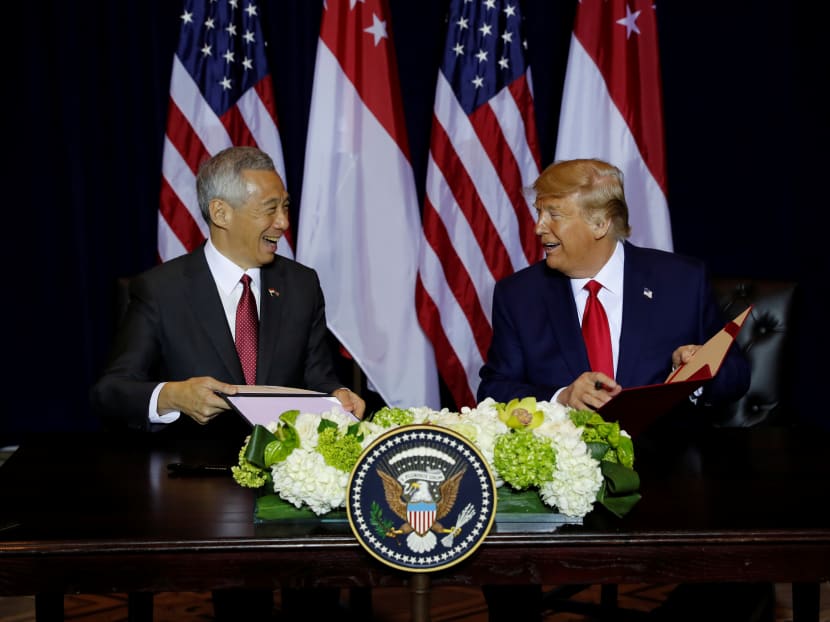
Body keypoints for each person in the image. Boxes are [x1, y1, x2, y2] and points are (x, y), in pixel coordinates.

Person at [90, 145, 365, 620]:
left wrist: (338, 396)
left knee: (319, 593)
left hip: (293, 477)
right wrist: (171, 395)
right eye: (270, 209)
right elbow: (110, 391)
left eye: (285, 207)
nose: (282, 223)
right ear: (221, 212)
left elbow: (320, 378)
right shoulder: (162, 289)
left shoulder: (301, 284)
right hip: (201, 481)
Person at [477, 158, 751, 621]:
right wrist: (562, 396)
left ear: (600, 222)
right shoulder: (518, 295)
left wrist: (697, 373)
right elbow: (496, 387)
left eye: (553, 213)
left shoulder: (680, 280)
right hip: (559, 472)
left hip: (666, 469)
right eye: (539, 212)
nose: (539, 227)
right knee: (490, 539)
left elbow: (736, 375)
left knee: (740, 560)